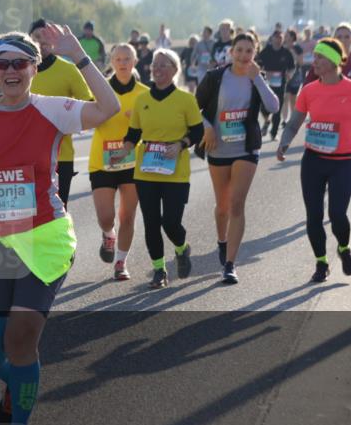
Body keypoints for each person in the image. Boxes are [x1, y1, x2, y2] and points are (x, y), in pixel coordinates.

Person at [0, 26, 120, 425]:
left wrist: (79, 55)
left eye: (19, 63)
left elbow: (109, 107)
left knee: (22, 338)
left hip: (44, 238)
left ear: (33, 68)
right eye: (2, 64)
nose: (10, 72)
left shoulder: (51, 110)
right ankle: (20, 382)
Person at [276, 38, 351, 282]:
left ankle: (344, 249)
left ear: (335, 61)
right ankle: (321, 263)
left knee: (337, 215)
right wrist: (284, 141)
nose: (314, 62)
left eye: (320, 57)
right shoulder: (310, 90)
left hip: (341, 162)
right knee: (313, 216)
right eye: (314, 56)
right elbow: (294, 122)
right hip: (313, 161)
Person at [196, 34, 280, 283]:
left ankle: (231, 264)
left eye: (249, 51)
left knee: (236, 204)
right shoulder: (215, 77)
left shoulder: (257, 78)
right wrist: (207, 127)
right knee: (222, 207)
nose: (244, 56)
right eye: (240, 50)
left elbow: (273, 107)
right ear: (231, 52)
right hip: (218, 147)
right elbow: (192, 109)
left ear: (255, 54)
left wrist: (258, 80)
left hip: (246, 148)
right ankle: (222, 241)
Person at [121, 48, 204, 289]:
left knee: (170, 222)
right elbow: (133, 133)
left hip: (175, 172)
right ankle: (159, 270)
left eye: (163, 65)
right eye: (155, 65)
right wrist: (123, 150)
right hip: (146, 170)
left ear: (175, 70)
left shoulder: (186, 99)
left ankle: (181, 248)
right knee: (151, 222)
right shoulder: (142, 100)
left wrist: (181, 144)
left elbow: (197, 132)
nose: (157, 70)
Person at [90, 43, 149, 280]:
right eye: (118, 59)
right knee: (106, 217)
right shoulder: (100, 90)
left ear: (135, 62)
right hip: (102, 161)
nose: (123, 63)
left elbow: (156, 126)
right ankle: (108, 233)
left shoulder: (145, 93)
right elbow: (86, 115)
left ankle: (121, 262)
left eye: (127, 59)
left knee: (128, 216)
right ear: (111, 63)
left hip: (132, 161)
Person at [29, 18, 94, 206]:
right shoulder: (20, 71)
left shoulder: (69, 70)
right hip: (27, 155)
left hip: (61, 155)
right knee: (31, 213)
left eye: (46, 36)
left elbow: (88, 104)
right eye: (36, 37)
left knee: (58, 210)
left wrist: (69, 119)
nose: (41, 41)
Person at [256, 27, 295, 141]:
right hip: (266, 84)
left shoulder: (286, 52)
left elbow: (292, 68)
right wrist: (263, 72)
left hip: (280, 84)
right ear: (271, 39)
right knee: (263, 106)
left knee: (277, 108)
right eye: (276, 38)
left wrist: (289, 75)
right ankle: (267, 120)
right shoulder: (266, 51)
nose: (278, 40)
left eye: (280, 38)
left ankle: (273, 133)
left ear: (282, 40)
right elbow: (257, 65)